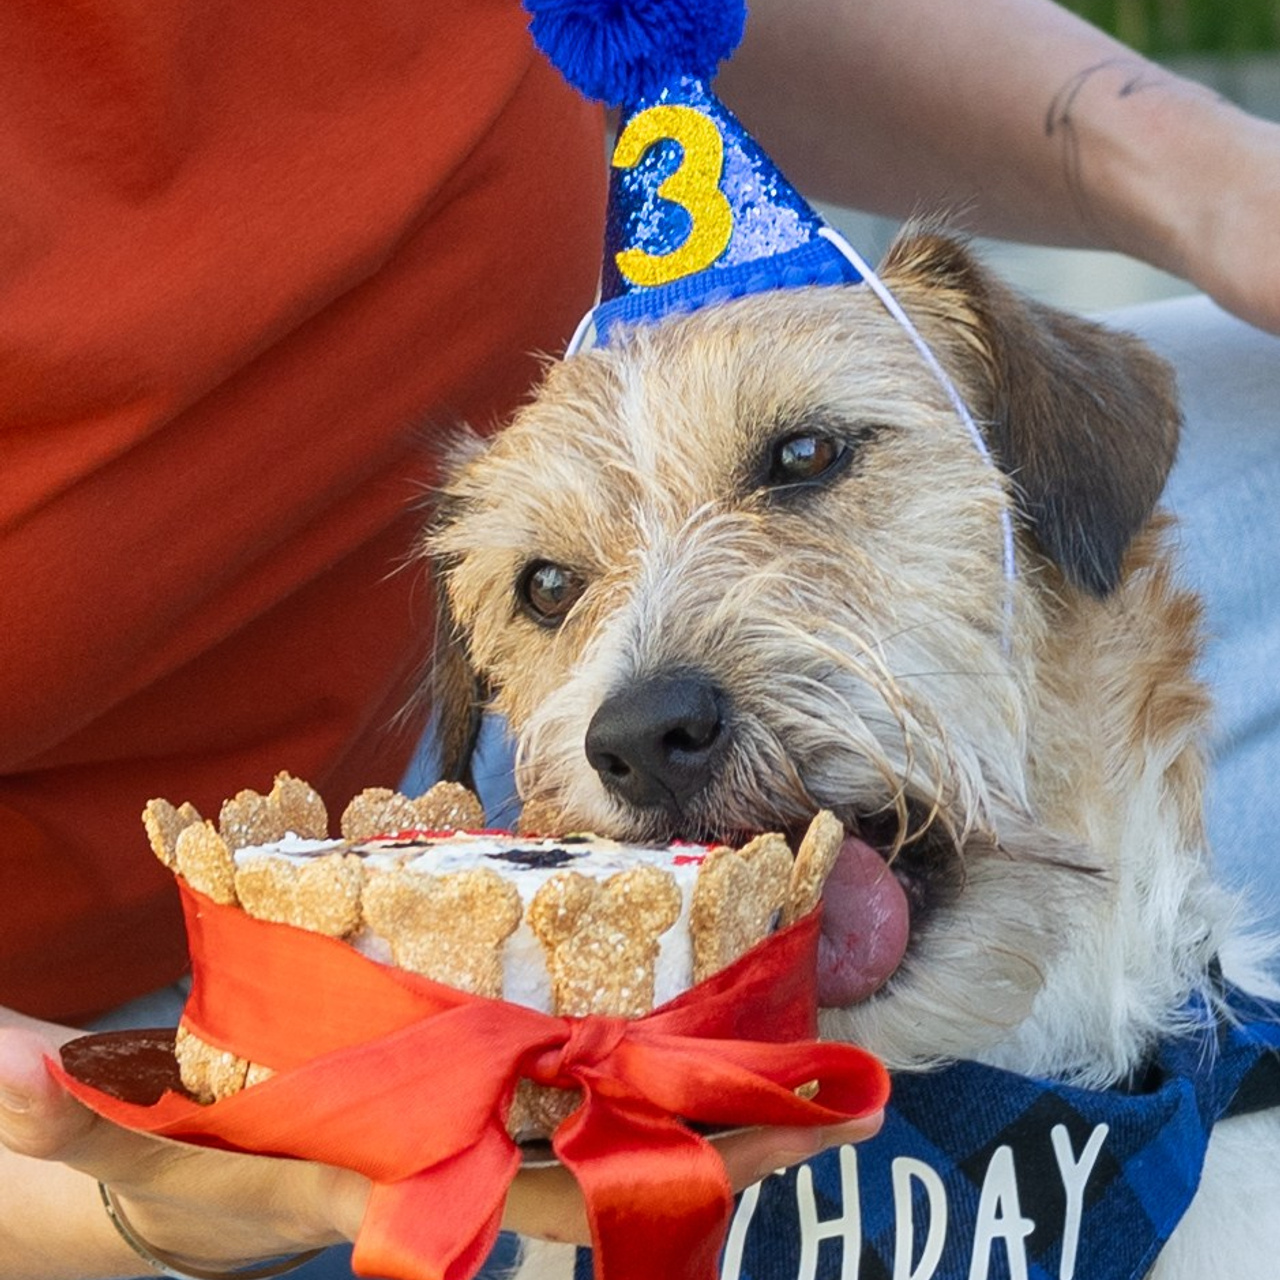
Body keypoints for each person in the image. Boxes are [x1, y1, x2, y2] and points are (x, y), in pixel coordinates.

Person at [0, 0, 1276, 1275]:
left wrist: (1214, 187)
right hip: (130, 1001)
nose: (653, 692)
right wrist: (191, 1193)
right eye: (548, 586)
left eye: (802, 460)